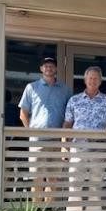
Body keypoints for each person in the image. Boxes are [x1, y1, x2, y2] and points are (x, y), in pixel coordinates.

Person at [63, 66, 106, 211]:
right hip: (78, 145)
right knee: (75, 181)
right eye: (90, 78)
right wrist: (64, 145)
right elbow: (67, 123)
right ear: (85, 80)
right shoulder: (74, 100)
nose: (92, 81)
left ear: (100, 81)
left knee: (96, 182)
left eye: (95, 78)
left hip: (100, 145)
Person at [18, 56, 72, 202]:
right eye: (45, 65)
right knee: (37, 180)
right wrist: (31, 132)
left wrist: (65, 140)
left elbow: (70, 115)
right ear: (41, 69)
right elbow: (23, 114)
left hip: (57, 141)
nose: (49, 68)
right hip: (37, 141)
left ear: (56, 69)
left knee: (53, 181)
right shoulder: (31, 87)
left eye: (52, 65)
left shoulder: (65, 89)